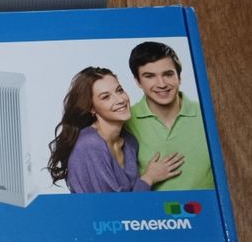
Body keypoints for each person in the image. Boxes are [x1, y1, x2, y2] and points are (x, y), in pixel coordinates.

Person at [48, 67, 184, 193]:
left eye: (119, 90)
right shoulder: (89, 145)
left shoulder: (129, 141)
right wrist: (149, 178)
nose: (120, 100)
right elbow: (113, 207)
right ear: (91, 108)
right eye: (106, 97)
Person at [125, 42, 215, 190]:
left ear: (179, 77)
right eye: (150, 76)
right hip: (153, 205)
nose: (161, 84)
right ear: (138, 82)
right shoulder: (125, 121)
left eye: (168, 74)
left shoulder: (209, 114)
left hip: (204, 204)